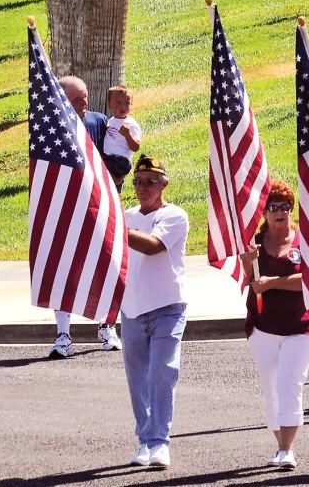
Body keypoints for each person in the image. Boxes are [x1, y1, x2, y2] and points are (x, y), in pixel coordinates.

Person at [241, 178, 309, 471]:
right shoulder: (255, 244)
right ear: (264, 212)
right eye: (273, 207)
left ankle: (287, 449)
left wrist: (273, 283)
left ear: (291, 209)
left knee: (290, 385)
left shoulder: (303, 241)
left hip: (301, 326)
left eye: (284, 206)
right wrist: (248, 263)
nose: (279, 212)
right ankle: (280, 442)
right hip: (263, 328)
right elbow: (249, 280)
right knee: (270, 389)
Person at [121, 156, 189, 470]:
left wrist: (115, 229)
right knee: (138, 381)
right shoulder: (126, 216)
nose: (143, 186)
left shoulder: (174, 215)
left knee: (162, 374)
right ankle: (144, 441)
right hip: (132, 308)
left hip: (167, 307)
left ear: (164, 184)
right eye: (138, 181)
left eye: (151, 181)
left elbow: (152, 246)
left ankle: (160, 442)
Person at [50, 76, 116, 358]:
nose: (84, 103)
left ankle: (106, 326)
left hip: (97, 205)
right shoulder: (51, 125)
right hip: (65, 207)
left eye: (85, 97)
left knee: (104, 265)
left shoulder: (98, 121)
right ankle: (63, 334)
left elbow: (113, 157)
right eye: (77, 100)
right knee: (63, 270)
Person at [101, 84, 142, 191]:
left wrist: (127, 135)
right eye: (118, 103)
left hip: (120, 161)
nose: (123, 107)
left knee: (105, 180)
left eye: (127, 103)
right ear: (109, 105)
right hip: (109, 158)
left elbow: (136, 147)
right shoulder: (111, 121)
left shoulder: (131, 124)